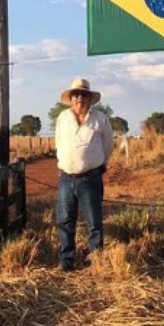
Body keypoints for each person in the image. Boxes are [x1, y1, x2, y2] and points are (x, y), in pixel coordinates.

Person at [55, 78, 114, 271]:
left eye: (83, 95)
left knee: (94, 222)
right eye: (76, 95)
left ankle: (96, 261)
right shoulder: (63, 118)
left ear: (90, 99)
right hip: (65, 177)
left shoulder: (100, 119)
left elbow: (108, 146)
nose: (79, 98)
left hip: (90, 178)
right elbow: (58, 143)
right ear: (71, 99)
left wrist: (98, 164)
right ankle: (66, 260)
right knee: (64, 220)